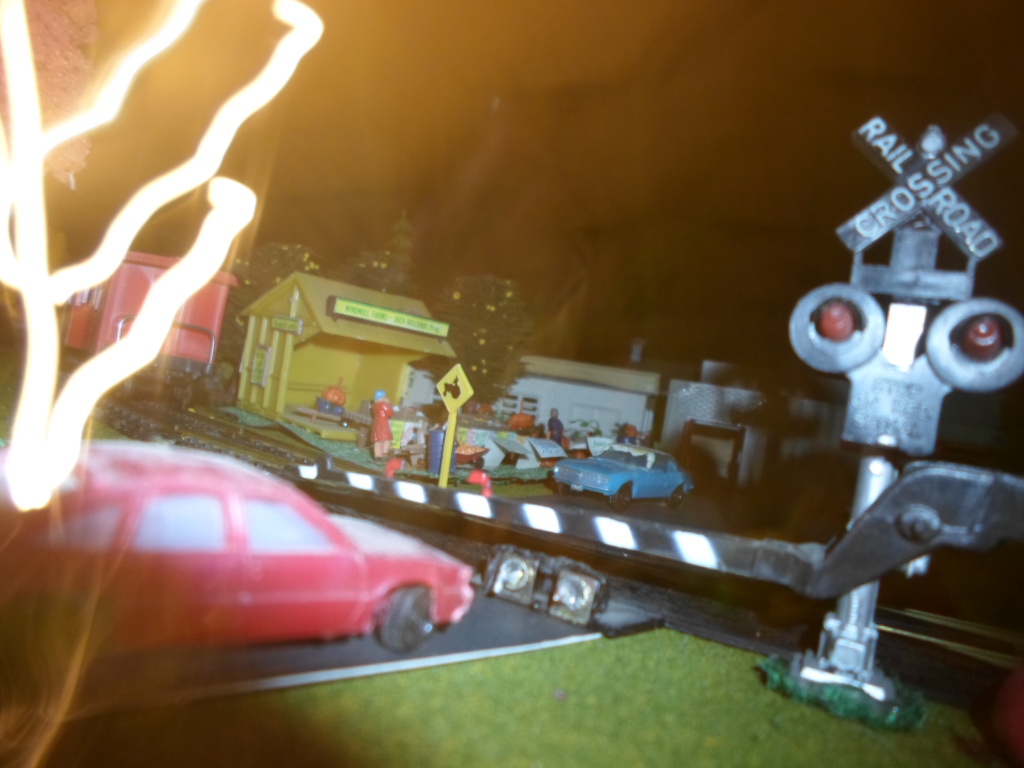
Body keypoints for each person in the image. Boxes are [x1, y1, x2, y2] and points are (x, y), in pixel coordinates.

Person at [371, 390, 395, 460]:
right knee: (387, 439)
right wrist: (389, 404)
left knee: (378, 441)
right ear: (383, 397)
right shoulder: (384, 404)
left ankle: (377, 456)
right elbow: (391, 413)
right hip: (383, 423)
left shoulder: (374, 405)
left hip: (376, 423)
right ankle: (385, 454)